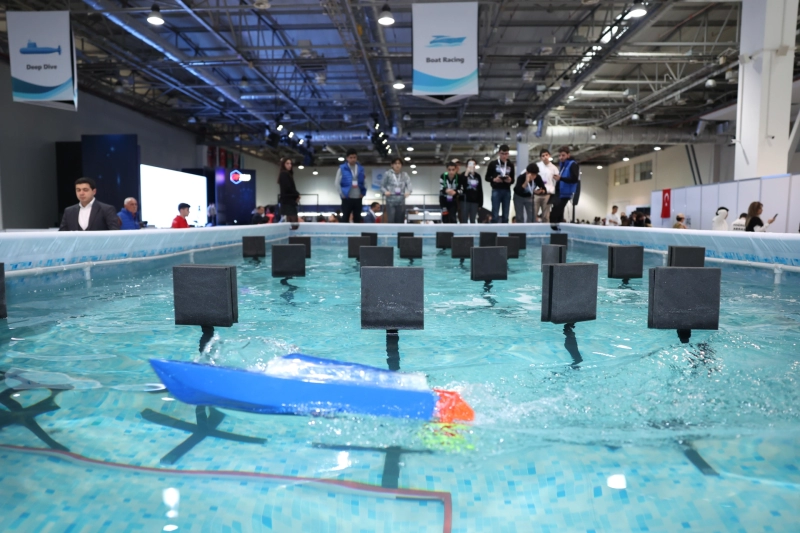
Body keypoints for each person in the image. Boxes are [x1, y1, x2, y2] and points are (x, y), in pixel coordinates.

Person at [551, 146, 579, 227]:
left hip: (565, 193)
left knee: (554, 214)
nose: (561, 157)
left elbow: (574, 179)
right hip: (559, 192)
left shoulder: (572, 164)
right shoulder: (563, 165)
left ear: (568, 155)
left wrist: (561, 178)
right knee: (558, 214)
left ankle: (555, 230)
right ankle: (558, 231)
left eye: (563, 155)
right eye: (559, 155)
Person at [335, 148, 365, 223]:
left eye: (354, 157)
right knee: (345, 218)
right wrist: (342, 194)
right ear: (347, 158)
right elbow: (337, 182)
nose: (353, 159)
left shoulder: (360, 168)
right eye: (351, 157)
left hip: (358, 197)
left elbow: (365, 181)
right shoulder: (342, 168)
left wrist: (363, 192)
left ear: (356, 158)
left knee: (357, 218)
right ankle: (344, 231)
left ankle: (357, 231)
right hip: (347, 197)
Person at [485, 144, 514, 223]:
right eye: (502, 154)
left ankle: (505, 229)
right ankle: (494, 229)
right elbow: (487, 177)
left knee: (506, 214)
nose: (504, 156)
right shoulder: (493, 164)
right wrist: (494, 179)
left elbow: (513, 180)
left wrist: (510, 180)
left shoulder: (510, 165)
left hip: (507, 190)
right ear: (499, 153)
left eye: (506, 154)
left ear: (508, 154)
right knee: (495, 214)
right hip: (496, 189)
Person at [381, 158, 412, 224]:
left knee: (400, 221)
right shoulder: (387, 174)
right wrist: (385, 191)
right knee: (391, 220)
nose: (397, 165)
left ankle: (400, 231)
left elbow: (409, 185)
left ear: (401, 165)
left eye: (399, 163)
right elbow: (382, 186)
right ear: (392, 165)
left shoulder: (405, 175)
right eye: (395, 163)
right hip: (390, 201)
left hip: (401, 201)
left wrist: (408, 192)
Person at [535, 149, 558, 222]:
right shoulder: (537, 166)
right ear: (540, 158)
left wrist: (553, 192)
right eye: (543, 156)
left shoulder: (554, 168)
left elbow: (556, 181)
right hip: (537, 193)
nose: (545, 157)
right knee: (533, 215)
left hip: (547, 194)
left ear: (549, 155)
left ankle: (546, 229)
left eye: (546, 155)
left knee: (546, 216)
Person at [459, 158, 483, 223]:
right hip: (465, 200)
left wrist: (480, 203)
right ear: (466, 165)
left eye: (473, 164)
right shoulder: (462, 175)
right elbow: (461, 185)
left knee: (473, 219)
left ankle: (473, 230)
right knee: (464, 219)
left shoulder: (478, 176)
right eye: (470, 164)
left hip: (475, 201)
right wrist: (466, 173)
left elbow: (480, 189)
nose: (472, 165)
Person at [278, 158, 301, 224]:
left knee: (290, 223)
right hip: (288, 202)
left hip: (287, 202)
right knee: (294, 224)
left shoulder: (285, 174)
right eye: (287, 163)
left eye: (290, 163)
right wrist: (297, 195)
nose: (290, 165)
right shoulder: (284, 174)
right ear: (283, 164)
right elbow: (288, 188)